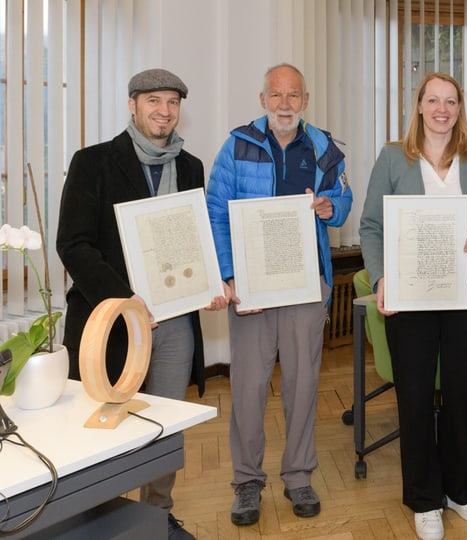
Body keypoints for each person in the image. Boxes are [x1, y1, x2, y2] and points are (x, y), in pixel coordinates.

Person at [57, 68, 228, 540]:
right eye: (153, 100)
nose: (164, 111)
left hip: (173, 322)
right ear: (132, 105)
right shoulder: (93, 162)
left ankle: (156, 515)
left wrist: (210, 283)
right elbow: (73, 244)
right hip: (110, 320)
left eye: (172, 102)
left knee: (162, 429)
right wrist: (124, 297)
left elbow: (195, 241)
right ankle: (98, 518)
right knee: (102, 427)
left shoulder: (191, 166)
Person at [358, 71, 467, 540]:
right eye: (433, 100)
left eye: (451, 101)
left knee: (466, 396)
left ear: (459, 108)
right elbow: (370, 226)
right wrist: (382, 277)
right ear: (419, 106)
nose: (442, 109)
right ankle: (424, 499)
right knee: (416, 397)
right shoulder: (392, 157)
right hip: (410, 298)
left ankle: (462, 493)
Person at [206, 63, 352, 526]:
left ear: (304, 100)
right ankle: (247, 482)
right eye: (276, 95)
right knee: (248, 386)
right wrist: (228, 273)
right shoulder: (238, 145)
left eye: (293, 96)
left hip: (307, 285)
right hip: (251, 286)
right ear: (263, 99)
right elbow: (215, 209)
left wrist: (331, 207)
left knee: (303, 384)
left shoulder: (325, 146)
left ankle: (298, 475)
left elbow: (344, 197)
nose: (285, 104)